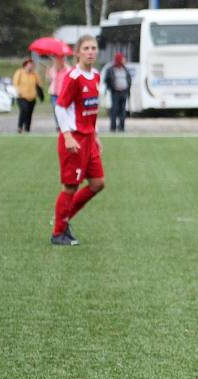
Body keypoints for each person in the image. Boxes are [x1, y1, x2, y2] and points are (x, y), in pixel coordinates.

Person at [51, 35, 105, 246]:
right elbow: (60, 107)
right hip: (74, 138)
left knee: (98, 183)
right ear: (77, 53)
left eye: (93, 48)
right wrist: (67, 136)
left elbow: (91, 110)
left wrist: (96, 134)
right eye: (86, 48)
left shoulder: (96, 76)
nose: (91, 51)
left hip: (89, 138)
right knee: (70, 187)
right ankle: (58, 233)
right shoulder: (73, 77)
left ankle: (63, 220)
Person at [103, 52, 131, 132]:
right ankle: (113, 127)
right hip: (115, 92)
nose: (124, 60)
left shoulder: (125, 69)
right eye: (123, 58)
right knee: (114, 110)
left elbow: (128, 79)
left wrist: (128, 89)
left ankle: (121, 127)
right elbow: (107, 80)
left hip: (124, 92)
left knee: (123, 111)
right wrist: (111, 87)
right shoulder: (111, 69)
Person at [12, 58, 41, 133]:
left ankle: (27, 128)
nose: (31, 66)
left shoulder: (34, 74)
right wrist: (18, 91)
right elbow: (15, 83)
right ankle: (20, 126)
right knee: (24, 110)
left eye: (32, 64)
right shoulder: (20, 72)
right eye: (29, 64)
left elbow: (38, 83)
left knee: (29, 113)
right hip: (21, 97)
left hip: (32, 97)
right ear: (25, 65)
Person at [47, 54, 72, 127]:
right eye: (57, 59)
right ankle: (58, 125)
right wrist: (48, 75)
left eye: (61, 59)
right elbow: (49, 81)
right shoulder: (52, 69)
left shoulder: (68, 69)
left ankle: (64, 125)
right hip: (54, 93)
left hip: (64, 93)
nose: (59, 61)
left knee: (63, 110)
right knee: (56, 109)